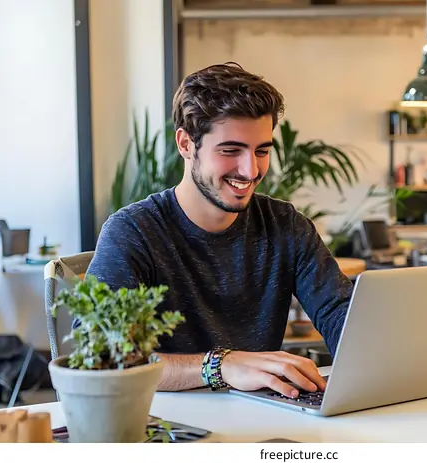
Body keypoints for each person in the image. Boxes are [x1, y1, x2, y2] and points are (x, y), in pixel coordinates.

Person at [86, 62, 353, 399]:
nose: (250, 170)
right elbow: (101, 356)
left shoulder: (286, 226)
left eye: (262, 151)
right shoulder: (133, 232)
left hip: (263, 421)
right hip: (166, 427)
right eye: (230, 150)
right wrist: (220, 366)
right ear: (186, 144)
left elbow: (339, 315)